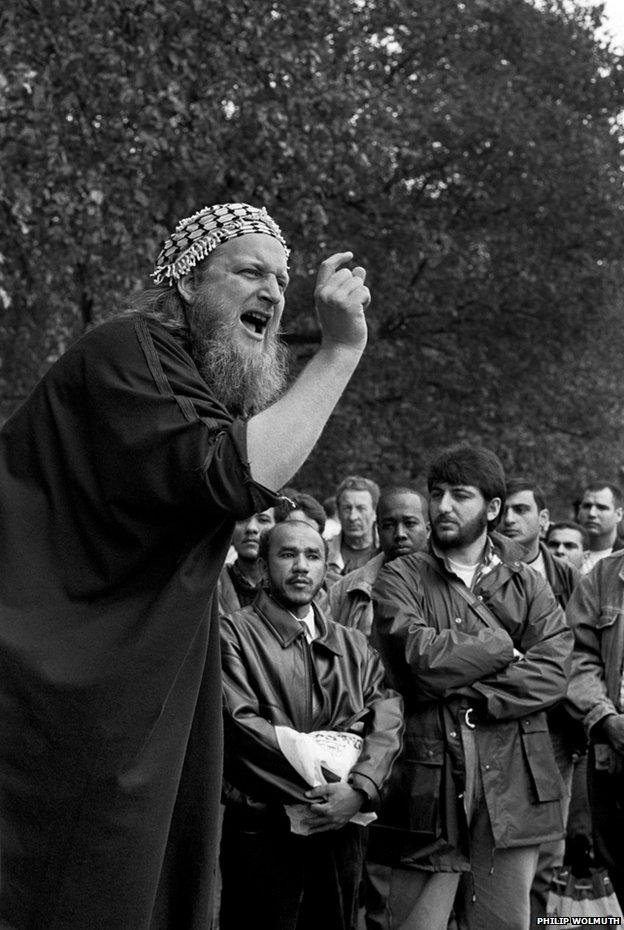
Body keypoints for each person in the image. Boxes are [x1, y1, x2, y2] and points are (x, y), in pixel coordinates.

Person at [0, 202, 370, 929]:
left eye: (283, 278)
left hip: (141, 692)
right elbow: (231, 475)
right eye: (248, 271)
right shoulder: (128, 349)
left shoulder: (185, 384)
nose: (273, 291)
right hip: (61, 700)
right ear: (184, 280)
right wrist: (339, 352)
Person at [370, 446, 573, 930]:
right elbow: (417, 660)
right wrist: (500, 645)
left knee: (503, 923)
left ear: (494, 508)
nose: (442, 507)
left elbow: (553, 671)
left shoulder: (528, 584)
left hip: (513, 778)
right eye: (436, 494)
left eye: (460, 496)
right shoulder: (399, 576)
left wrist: (473, 694)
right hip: (428, 777)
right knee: (415, 925)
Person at [219, 520, 403, 930]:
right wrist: (329, 795)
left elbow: (385, 721)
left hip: (342, 838)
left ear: (324, 569)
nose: (301, 566)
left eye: (313, 555)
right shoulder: (232, 635)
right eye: (288, 555)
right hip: (263, 834)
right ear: (264, 568)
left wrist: (358, 792)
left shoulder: (353, 645)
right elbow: (241, 727)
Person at [501, 478, 581, 924]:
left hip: (553, 731)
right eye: (504, 510)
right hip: (498, 725)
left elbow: (580, 655)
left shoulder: (571, 580)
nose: (510, 519)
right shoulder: (483, 574)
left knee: (548, 852)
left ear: (543, 520)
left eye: (521, 510)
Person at [566, 550, 624, 908]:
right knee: (615, 864)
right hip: (613, 749)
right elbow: (577, 655)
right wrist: (605, 719)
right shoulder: (604, 575)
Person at [328, 487, 429, 637]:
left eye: (410, 523)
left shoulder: (455, 581)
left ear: (429, 529)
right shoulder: (345, 590)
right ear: (378, 529)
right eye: (388, 525)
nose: (399, 534)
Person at [217, 507, 276, 615]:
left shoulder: (290, 586)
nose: (251, 528)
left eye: (263, 520)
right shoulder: (211, 587)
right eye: (242, 519)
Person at [327, 475, 381, 583]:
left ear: (375, 512)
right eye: (347, 508)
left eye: (361, 508)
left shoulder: (388, 551)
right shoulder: (323, 553)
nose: (353, 517)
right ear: (338, 512)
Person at [576, 482, 623, 574]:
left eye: (602, 508)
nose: (591, 514)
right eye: (587, 506)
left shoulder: (621, 558)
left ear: (619, 514)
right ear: (579, 510)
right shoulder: (562, 551)